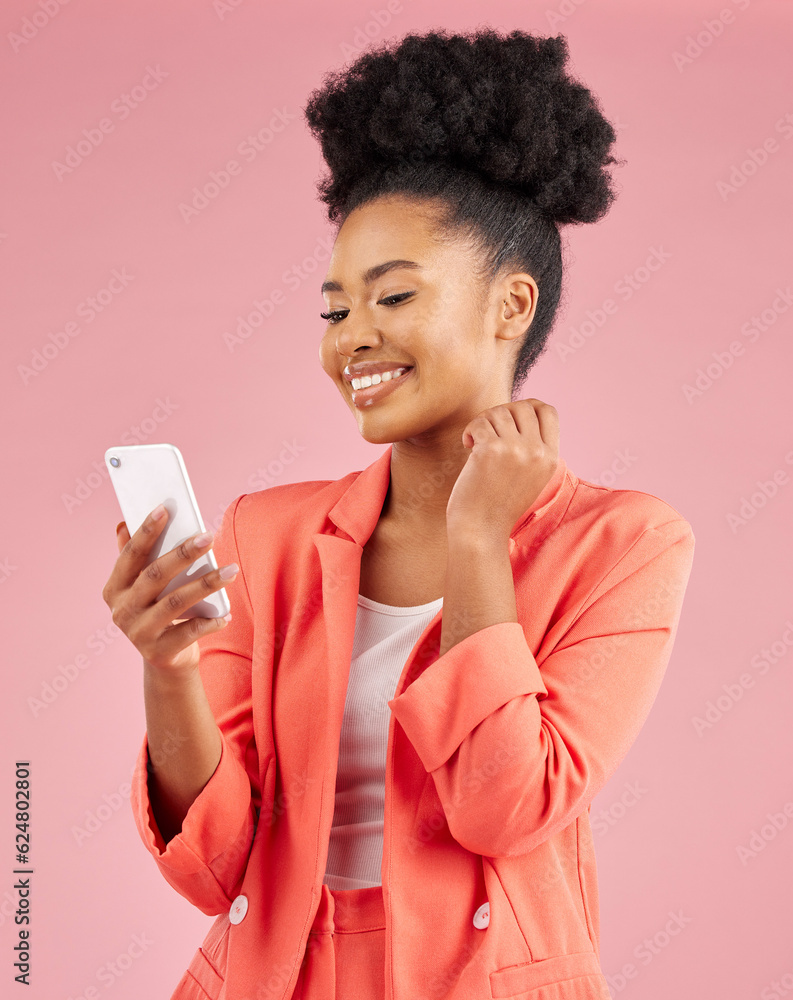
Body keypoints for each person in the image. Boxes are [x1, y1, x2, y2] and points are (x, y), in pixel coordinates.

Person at [102, 27, 695, 1000]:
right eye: (335, 310)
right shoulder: (269, 535)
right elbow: (208, 868)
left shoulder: (624, 543)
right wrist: (166, 665)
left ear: (510, 306)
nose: (352, 339)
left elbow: (502, 806)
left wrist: (476, 539)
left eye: (393, 296)